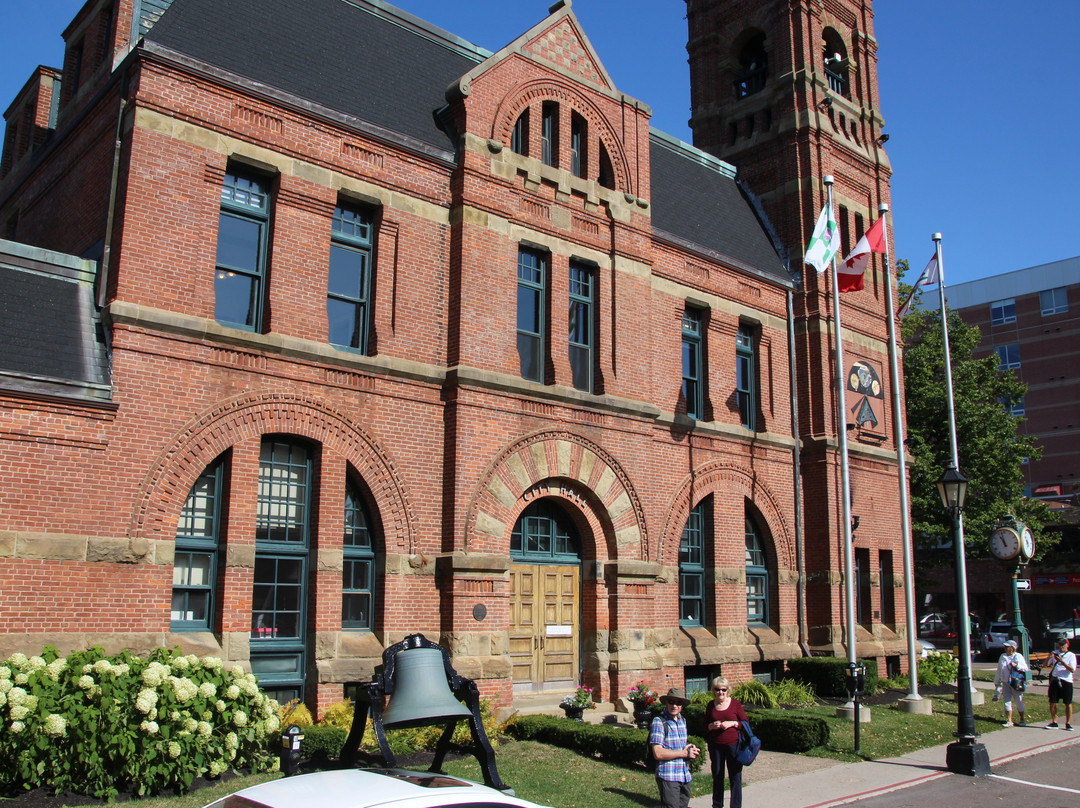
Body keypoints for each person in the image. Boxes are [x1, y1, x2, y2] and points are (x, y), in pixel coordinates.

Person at [650, 687, 700, 808]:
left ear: (682, 705)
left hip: (684, 775)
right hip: (668, 775)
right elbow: (658, 753)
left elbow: (681, 746)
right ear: (666, 703)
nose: (674, 706)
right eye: (671, 702)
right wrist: (684, 753)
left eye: (678, 703)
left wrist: (690, 750)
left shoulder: (682, 721)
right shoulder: (659, 722)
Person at [704, 676, 748, 808]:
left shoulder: (735, 704)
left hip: (733, 745)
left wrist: (732, 723)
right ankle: (717, 805)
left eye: (723, 689)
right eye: (717, 689)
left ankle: (735, 806)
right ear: (714, 690)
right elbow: (704, 725)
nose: (720, 692)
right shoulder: (711, 705)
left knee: (735, 777)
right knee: (717, 776)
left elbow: (744, 723)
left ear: (727, 690)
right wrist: (711, 726)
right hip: (716, 745)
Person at [992, 638, 1028, 726]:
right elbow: (999, 669)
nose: (1005, 648)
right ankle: (1009, 720)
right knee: (1007, 700)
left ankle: (1022, 719)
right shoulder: (1003, 656)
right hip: (1005, 682)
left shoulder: (1018, 656)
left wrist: (1017, 665)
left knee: (1018, 700)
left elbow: (1025, 668)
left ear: (1012, 648)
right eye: (1005, 647)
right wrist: (996, 680)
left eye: (1007, 647)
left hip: (1015, 682)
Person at [1042, 637, 1076, 730]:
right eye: (1060, 645)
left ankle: (1068, 723)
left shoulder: (1071, 655)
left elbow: (1072, 669)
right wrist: (1049, 657)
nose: (1061, 647)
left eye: (1063, 645)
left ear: (1067, 645)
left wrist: (1062, 662)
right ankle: (1054, 722)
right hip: (1055, 680)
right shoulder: (1055, 653)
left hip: (1066, 680)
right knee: (1052, 702)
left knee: (1068, 703)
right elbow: (1045, 666)